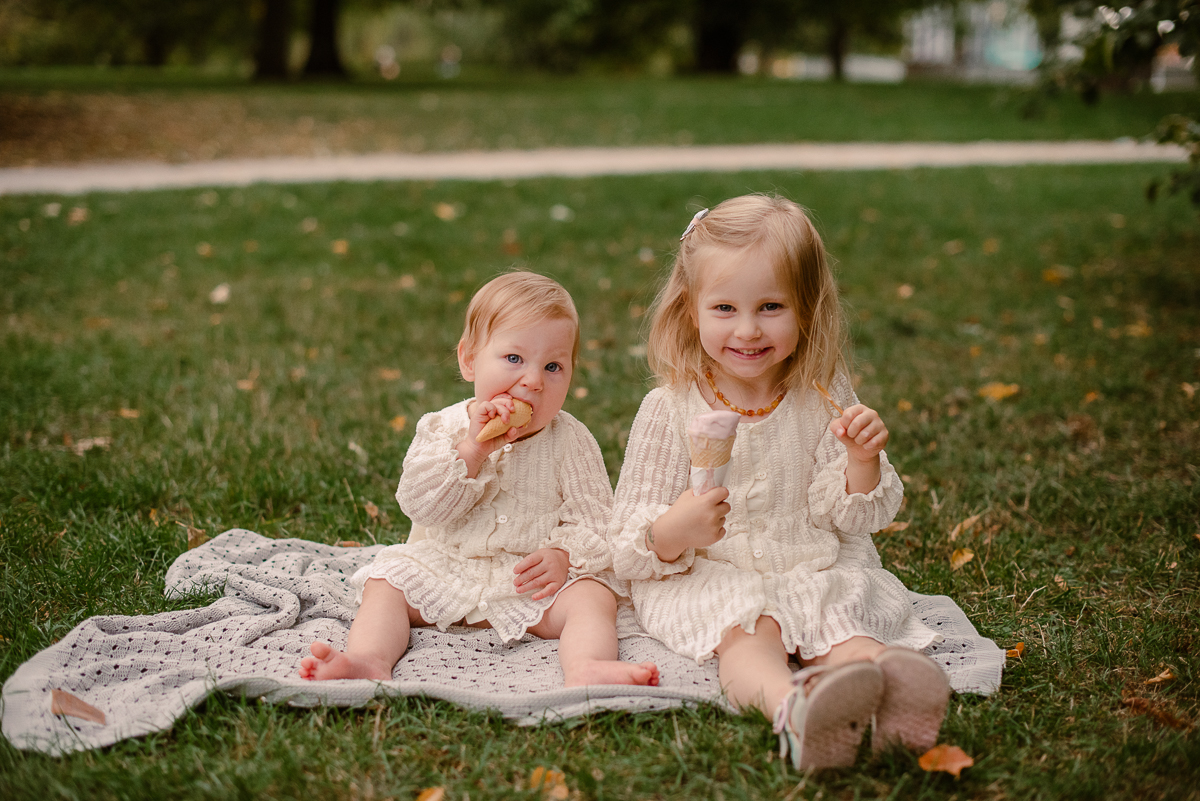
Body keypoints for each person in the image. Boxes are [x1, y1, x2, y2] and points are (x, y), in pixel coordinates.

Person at [610, 196, 949, 770]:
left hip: (808, 560)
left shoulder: (823, 393)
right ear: (690, 310)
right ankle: (791, 709)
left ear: (807, 312)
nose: (747, 330)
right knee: (750, 633)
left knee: (842, 623)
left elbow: (855, 516)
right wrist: (674, 529)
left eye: (771, 306)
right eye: (724, 307)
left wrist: (861, 461)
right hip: (710, 573)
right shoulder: (668, 408)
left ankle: (887, 693)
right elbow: (625, 540)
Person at [302, 271, 658, 688]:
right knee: (386, 582)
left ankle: (587, 666)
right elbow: (420, 505)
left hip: (531, 587)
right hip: (446, 571)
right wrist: (471, 450)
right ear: (469, 360)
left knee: (592, 598)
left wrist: (563, 555)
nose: (533, 380)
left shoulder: (572, 440)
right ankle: (368, 659)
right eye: (513, 359)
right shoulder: (443, 428)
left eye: (553, 366)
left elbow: (597, 520)